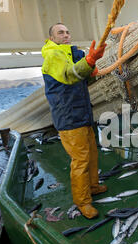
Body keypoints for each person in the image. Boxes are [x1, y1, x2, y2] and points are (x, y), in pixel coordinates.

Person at [41, 23, 107, 219]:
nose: (66, 35)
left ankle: (93, 186)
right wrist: (90, 59)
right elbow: (70, 75)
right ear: (52, 38)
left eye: (68, 31)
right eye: (60, 32)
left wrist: (90, 67)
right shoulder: (53, 55)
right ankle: (83, 202)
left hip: (83, 113)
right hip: (69, 117)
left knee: (92, 153)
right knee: (80, 160)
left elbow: (81, 78)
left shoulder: (70, 54)